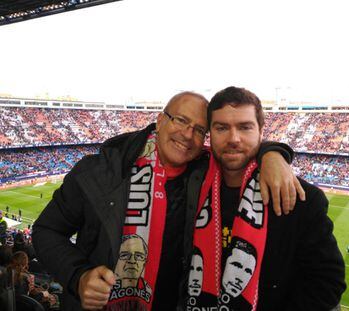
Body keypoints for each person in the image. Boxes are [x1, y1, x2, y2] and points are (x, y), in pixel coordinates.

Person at [32, 91, 304, 310]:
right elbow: (46, 230)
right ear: (160, 120)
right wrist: (78, 276)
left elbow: (238, 147)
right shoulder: (100, 171)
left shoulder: (205, 172)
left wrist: (274, 154)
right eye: (181, 121)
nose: (188, 135)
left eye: (199, 129)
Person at [182, 86, 346, 310]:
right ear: (210, 132)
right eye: (221, 128)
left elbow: (328, 282)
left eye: (245, 127)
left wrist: (272, 152)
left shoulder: (301, 198)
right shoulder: (191, 186)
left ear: (261, 132)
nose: (234, 138)